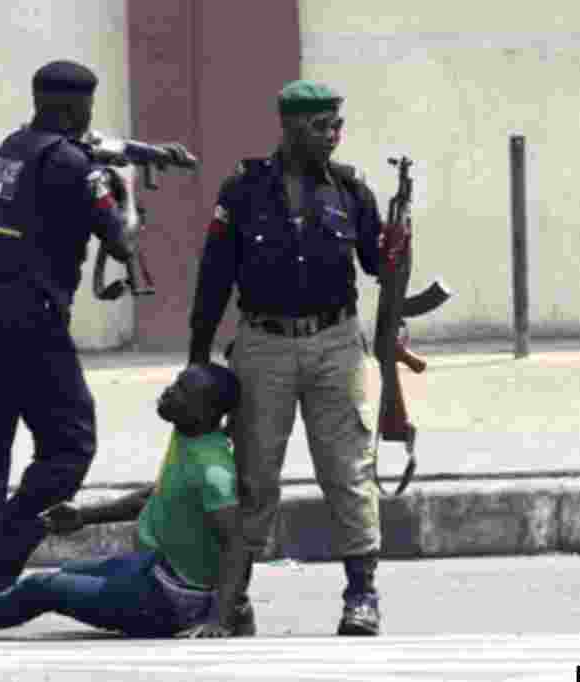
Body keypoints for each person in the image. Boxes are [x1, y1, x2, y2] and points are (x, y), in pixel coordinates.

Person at [187, 79, 409, 636]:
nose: (333, 136)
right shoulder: (243, 190)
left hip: (336, 342)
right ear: (287, 127)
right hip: (262, 345)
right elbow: (214, 276)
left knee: (347, 471)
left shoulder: (352, 190)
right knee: (254, 475)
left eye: (337, 125)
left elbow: (380, 271)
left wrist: (397, 255)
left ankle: (362, 595)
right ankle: (235, 598)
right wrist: (197, 355)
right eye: (320, 127)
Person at [0, 60, 145, 603]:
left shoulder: (15, 146)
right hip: (29, 315)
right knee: (69, 446)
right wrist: (127, 191)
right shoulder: (76, 165)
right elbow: (123, 242)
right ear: (77, 107)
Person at [0, 363, 249, 638]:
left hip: (170, 600)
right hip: (154, 567)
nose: (170, 392)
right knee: (65, 575)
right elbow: (155, 497)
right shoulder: (188, 435)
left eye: (183, 393)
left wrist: (220, 618)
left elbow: (236, 543)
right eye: (175, 384)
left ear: (209, 413)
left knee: (42, 588)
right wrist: (83, 516)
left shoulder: (212, 470)